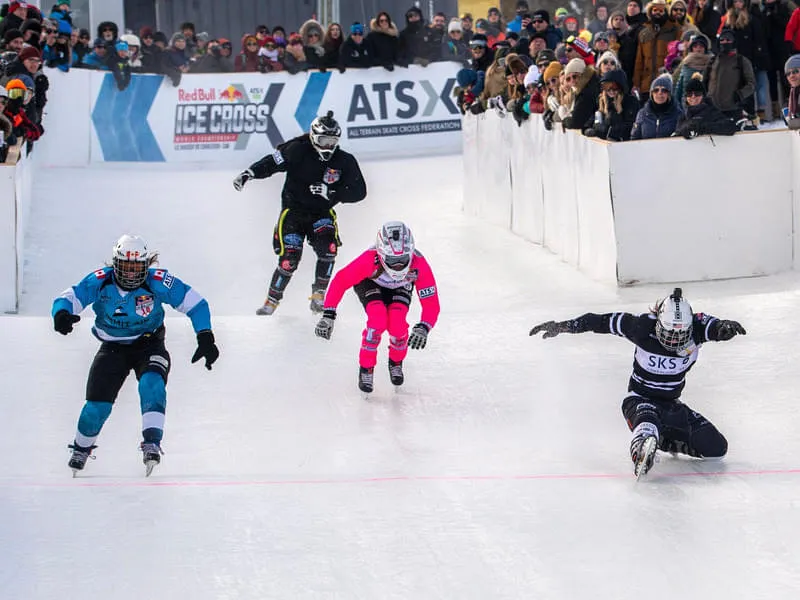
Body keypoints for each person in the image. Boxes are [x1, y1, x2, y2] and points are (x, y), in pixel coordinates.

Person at [529, 288, 746, 478]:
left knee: (717, 448)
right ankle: (642, 445)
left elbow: (715, 327)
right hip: (639, 400)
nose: (674, 340)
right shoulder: (641, 327)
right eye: (670, 332)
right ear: (659, 323)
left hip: (672, 406)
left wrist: (724, 328)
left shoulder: (698, 326)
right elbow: (600, 321)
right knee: (647, 422)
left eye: (681, 334)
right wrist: (564, 326)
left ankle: (662, 441)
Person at [52, 235, 219, 476]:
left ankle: (152, 442)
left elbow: (196, 303)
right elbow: (68, 298)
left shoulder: (159, 281)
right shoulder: (99, 280)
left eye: (137, 267)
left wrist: (205, 336)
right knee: (96, 407)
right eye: (125, 267)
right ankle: (81, 448)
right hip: (112, 349)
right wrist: (62, 315)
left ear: (146, 265)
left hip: (149, 345)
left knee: (153, 384)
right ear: (115, 264)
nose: (131, 273)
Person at [233, 111, 367, 316]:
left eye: (332, 141)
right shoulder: (297, 149)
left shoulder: (344, 160)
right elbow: (272, 162)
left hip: (321, 214)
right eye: (323, 140)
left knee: (329, 250)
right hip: (293, 214)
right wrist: (249, 173)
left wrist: (332, 192)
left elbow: (360, 192)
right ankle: (271, 302)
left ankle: (318, 296)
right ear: (314, 137)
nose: (328, 146)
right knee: (289, 259)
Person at [314, 222, 440, 394]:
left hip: (399, 287)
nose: (397, 266)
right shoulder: (368, 260)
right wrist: (329, 314)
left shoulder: (419, 264)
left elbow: (431, 302)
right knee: (377, 319)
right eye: (392, 260)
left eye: (403, 260)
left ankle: (396, 361)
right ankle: (366, 367)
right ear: (380, 254)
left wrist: (424, 326)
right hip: (369, 283)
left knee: (397, 323)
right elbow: (341, 281)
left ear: (411, 253)